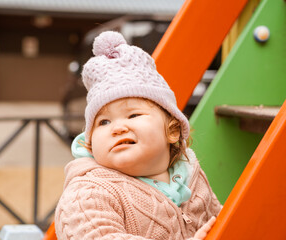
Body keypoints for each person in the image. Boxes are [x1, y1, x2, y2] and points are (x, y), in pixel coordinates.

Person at [55, 31, 222, 239]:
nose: (117, 128)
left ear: (172, 130)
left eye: (133, 115)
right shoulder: (89, 192)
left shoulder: (191, 174)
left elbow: (221, 217)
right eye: (103, 122)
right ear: (89, 143)